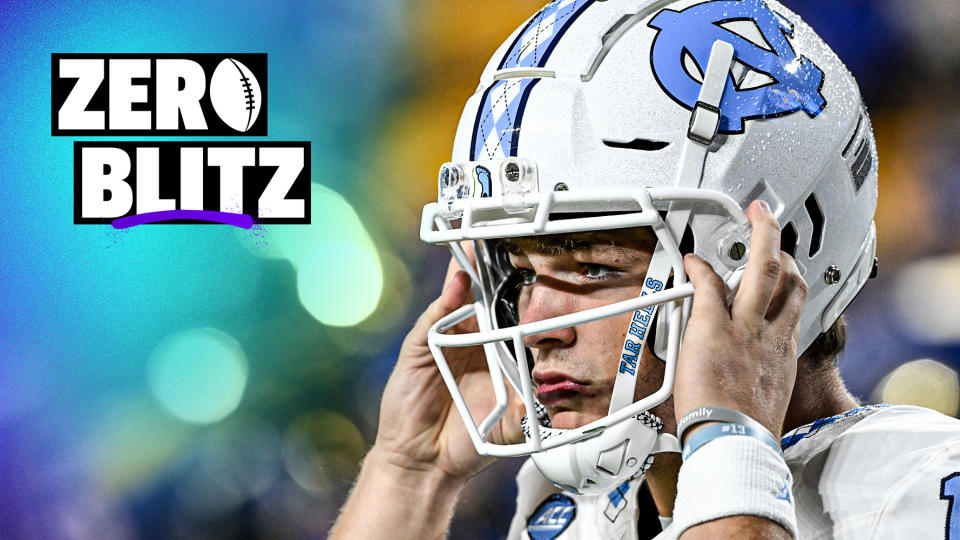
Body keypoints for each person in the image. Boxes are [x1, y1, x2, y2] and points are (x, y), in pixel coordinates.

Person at [332, 0, 960, 538]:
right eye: (521, 272)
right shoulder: (582, 509)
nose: (534, 326)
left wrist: (730, 456)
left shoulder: (924, 491)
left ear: (765, 265)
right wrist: (408, 474)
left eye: (593, 268)